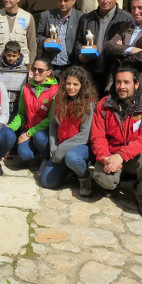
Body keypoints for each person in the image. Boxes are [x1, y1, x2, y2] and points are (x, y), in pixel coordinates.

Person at [90, 67, 142, 218]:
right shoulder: (104, 104)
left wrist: (122, 156)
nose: (122, 87)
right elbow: (97, 136)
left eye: (127, 82)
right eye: (118, 82)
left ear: (136, 84)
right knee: (104, 179)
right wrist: (105, 157)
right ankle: (114, 184)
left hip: (133, 155)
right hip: (110, 154)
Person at [40, 65, 97, 196]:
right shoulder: (59, 99)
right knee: (47, 182)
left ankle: (84, 177)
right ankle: (69, 169)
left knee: (72, 157)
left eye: (75, 84)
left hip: (80, 147)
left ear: (82, 85)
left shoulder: (89, 103)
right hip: (61, 145)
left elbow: (84, 136)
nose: (71, 87)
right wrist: (53, 147)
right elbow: (53, 124)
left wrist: (61, 149)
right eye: (68, 84)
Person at [75, 0, 132, 95]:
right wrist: (79, 55)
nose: (105, 1)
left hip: (113, 73)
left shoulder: (126, 19)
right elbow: (78, 41)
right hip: (91, 72)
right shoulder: (87, 18)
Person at [8, 57, 58, 163]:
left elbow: (51, 119)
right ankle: (37, 152)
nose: (36, 72)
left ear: (49, 72)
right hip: (29, 129)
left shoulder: (56, 90)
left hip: (45, 132)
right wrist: (11, 128)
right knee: (24, 155)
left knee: (39, 137)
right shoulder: (26, 88)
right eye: (34, 69)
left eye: (40, 70)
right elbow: (22, 114)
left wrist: (29, 133)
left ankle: (46, 158)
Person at [36, 0, 84, 77]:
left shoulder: (81, 17)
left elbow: (82, 40)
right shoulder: (46, 16)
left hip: (71, 66)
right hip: (50, 67)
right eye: (60, 0)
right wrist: (45, 42)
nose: (62, 3)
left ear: (74, 1)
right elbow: (37, 37)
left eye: (66, 0)